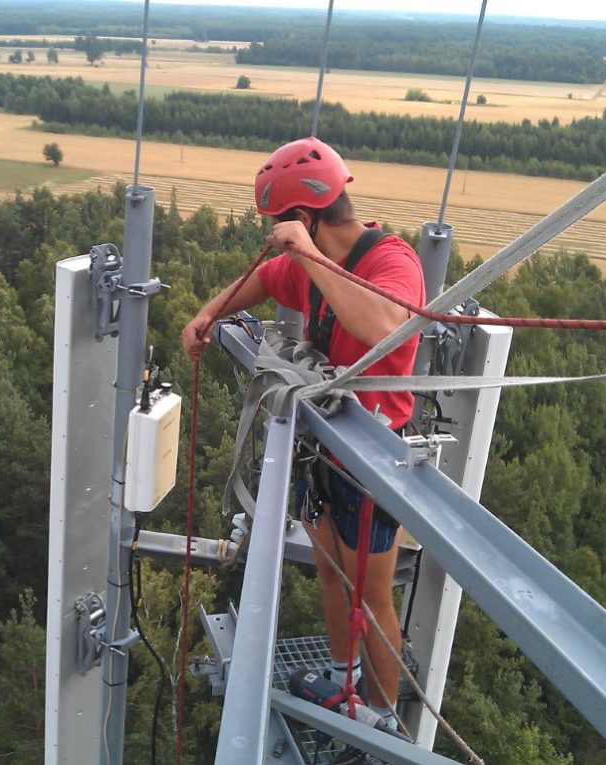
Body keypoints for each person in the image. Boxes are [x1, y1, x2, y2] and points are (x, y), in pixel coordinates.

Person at [181, 136, 425, 731]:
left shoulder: (393, 262)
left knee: (371, 595)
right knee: (333, 578)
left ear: (304, 218)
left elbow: (382, 327)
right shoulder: (313, 267)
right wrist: (207, 313)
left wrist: (311, 257)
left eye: (279, 224)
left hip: (370, 458)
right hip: (323, 449)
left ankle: (384, 719)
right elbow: (263, 280)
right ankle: (344, 686)